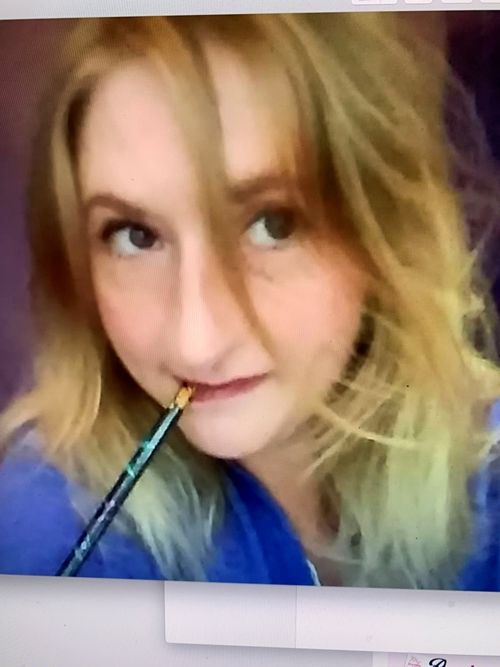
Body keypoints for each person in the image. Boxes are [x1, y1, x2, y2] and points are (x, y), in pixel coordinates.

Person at [0, 13, 499, 590]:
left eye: (272, 224)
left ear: (384, 228)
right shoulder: (56, 545)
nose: (197, 343)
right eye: (135, 236)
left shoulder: (482, 470)